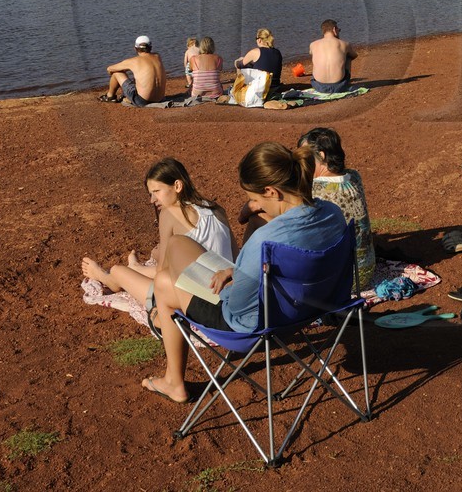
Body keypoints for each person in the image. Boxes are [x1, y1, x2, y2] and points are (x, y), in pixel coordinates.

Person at [137, 142, 347, 404]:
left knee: (167, 278)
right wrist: (240, 271)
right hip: (313, 308)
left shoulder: (264, 241)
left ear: (271, 191)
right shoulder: (333, 214)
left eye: (255, 199)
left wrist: (229, 278)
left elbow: (235, 307)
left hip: (252, 328)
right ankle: (171, 378)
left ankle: (173, 381)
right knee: (176, 272)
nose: (255, 206)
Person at [80, 158, 234, 399]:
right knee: (155, 257)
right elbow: (232, 256)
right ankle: (135, 267)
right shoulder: (216, 209)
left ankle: (106, 277)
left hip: (195, 296)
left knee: (119, 271)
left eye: (156, 192)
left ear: (177, 186)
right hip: (226, 291)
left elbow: (163, 275)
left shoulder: (171, 214)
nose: (153, 200)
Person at [241, 127, 376, 291]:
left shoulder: (316, 188)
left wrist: (254, 203)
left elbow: (246, 214)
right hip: (364, 270)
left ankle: (241, 274)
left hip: (341, 281)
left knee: (258, 218)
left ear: (322, 156)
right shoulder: (354, 176)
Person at [102, 35, 167, 105]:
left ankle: (110, 97)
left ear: (135, 48)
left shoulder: (133, 61)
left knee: (117, 73)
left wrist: (122, 71)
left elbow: (109, 69)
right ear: (150, 47)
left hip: (142, 101)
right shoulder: (157, 56)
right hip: (160, 98)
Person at [308, 19, 357, 94]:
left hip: (318, 86)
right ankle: (343, 80)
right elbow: (354, 55)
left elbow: (311, 53)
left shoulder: (313, 44)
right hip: (340, 86)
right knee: (348, 56)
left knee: (316, 57)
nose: (339, 32)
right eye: (339, 30)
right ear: (334, 29)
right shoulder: (344, 44)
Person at [235, 28, 284, 101]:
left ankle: (238, 88)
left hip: (260, 90)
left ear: (259, 40)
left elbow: (239, 65)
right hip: (275, 87)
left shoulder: (255, 52)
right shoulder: (278, 52)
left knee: (239, 62)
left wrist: (238, 61)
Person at [187, 36, 225, 100]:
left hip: (197, 93)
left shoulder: (193, 59)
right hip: (216, 92)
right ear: (213, 47)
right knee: (218, 81)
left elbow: (190, 70)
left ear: (201, 47)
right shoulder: (219, 58)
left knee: (194, 79)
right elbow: (220, 70)